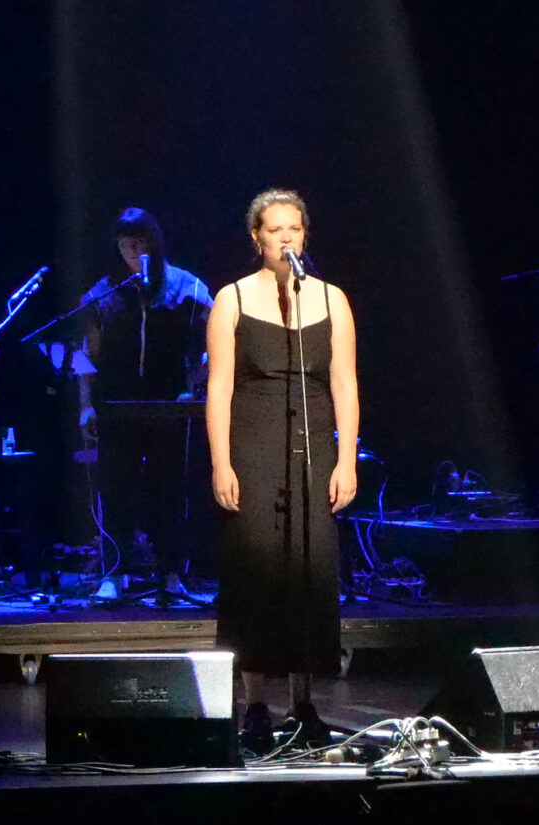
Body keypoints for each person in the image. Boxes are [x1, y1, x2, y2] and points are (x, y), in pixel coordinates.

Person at [205, 189, 359, 753]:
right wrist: (221, 461)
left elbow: (343, 382)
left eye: (295, 228)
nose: (286, 238)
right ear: (257, 237)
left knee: (309, 569)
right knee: (257, 572)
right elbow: (219, 387)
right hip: (253, 442)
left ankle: (305, 701)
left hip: (313, 444)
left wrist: (346, 458)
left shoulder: (331, 298)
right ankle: (255, 705)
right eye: (275, 230)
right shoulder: (232, 299)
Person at [77, 207, 213, 590]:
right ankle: (115, 572)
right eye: (127, 242)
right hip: (117, 408)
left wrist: (198, 382)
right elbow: (85, 357)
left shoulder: (186, 287)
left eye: (142, 241)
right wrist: (86, 407)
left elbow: (219, 337)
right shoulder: (103, 295)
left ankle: (169, 572)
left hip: (168, 406)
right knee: (115, 489)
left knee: (167, 489)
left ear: (156, 242)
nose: (135, 249)